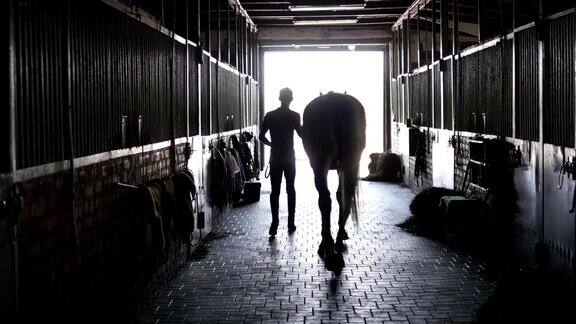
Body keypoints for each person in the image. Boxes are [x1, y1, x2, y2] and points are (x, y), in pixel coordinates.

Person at [259, 88, 302, 236]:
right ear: (291, 99)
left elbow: (261, 136)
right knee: (291, 190)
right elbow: (302, 135)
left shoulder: (270, 116)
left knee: (275, 191)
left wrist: (272, 144)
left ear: (279, 98)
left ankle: (274, 224)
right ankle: (291, 223)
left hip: (275, 157)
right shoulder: (294, 116)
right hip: (289, 158)